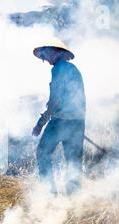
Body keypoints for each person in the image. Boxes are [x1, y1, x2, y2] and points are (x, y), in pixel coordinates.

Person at [32, 41, 86, 195]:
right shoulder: (73, 69)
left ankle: (50, 194)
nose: (45, 59)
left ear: (56, 52)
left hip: (60, 121)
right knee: (74, 162)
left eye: (45, 54)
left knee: (43, 152)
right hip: (77, 122)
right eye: (43, 57)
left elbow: (55, 100)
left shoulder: (59, 68)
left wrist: (40, 124)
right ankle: (74, 200)